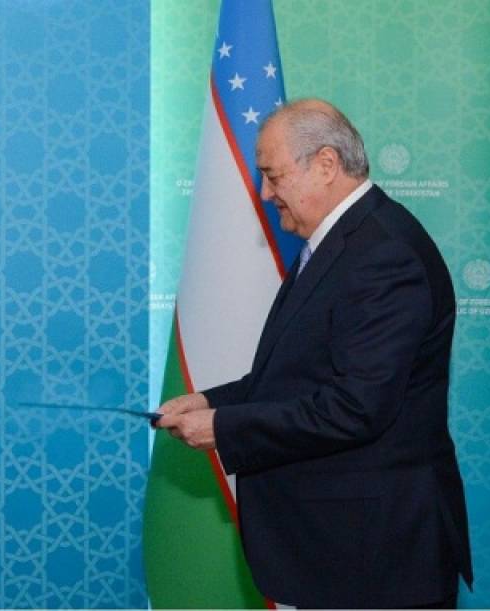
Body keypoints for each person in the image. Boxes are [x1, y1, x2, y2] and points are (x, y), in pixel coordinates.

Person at [157, 99, 472, 608]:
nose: (265, 193)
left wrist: (223, 428)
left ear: (326, 164)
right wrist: (213, 402)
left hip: (376, 558)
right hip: (343, 552)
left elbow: (355, 407)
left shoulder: (383, 254)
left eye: (273, 175)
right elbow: (301, 375)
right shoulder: (344, 242)